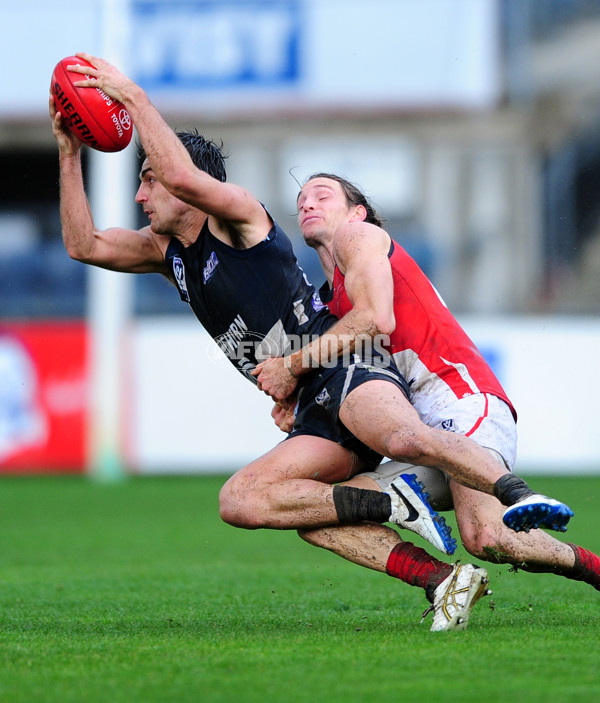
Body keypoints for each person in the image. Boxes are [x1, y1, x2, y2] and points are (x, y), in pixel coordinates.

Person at [51, 53, 571, 631]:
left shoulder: (239, 216)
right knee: (248, 501)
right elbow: (84, 245)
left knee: (405, 435)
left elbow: (179, 177)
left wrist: (134, 99)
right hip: (311, 407)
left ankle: (516, 490)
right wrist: (70, 152)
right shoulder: (165, 252)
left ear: (192, 188)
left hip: (345, 366)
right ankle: (438, 575)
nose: (142, 195)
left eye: (146, 178)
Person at [253, 172, 600, 598]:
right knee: (315, 511)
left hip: (460, 402)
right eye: (302, 199)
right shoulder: (329, 301)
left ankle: (575, 550)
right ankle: (443, 581)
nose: (307, 204)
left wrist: (292, 365)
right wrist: (298, 398)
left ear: (357, 213)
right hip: (419, 435)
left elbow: (376, 321)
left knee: (487, 537)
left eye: (322, 196)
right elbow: (345, 375)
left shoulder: (360, 237)